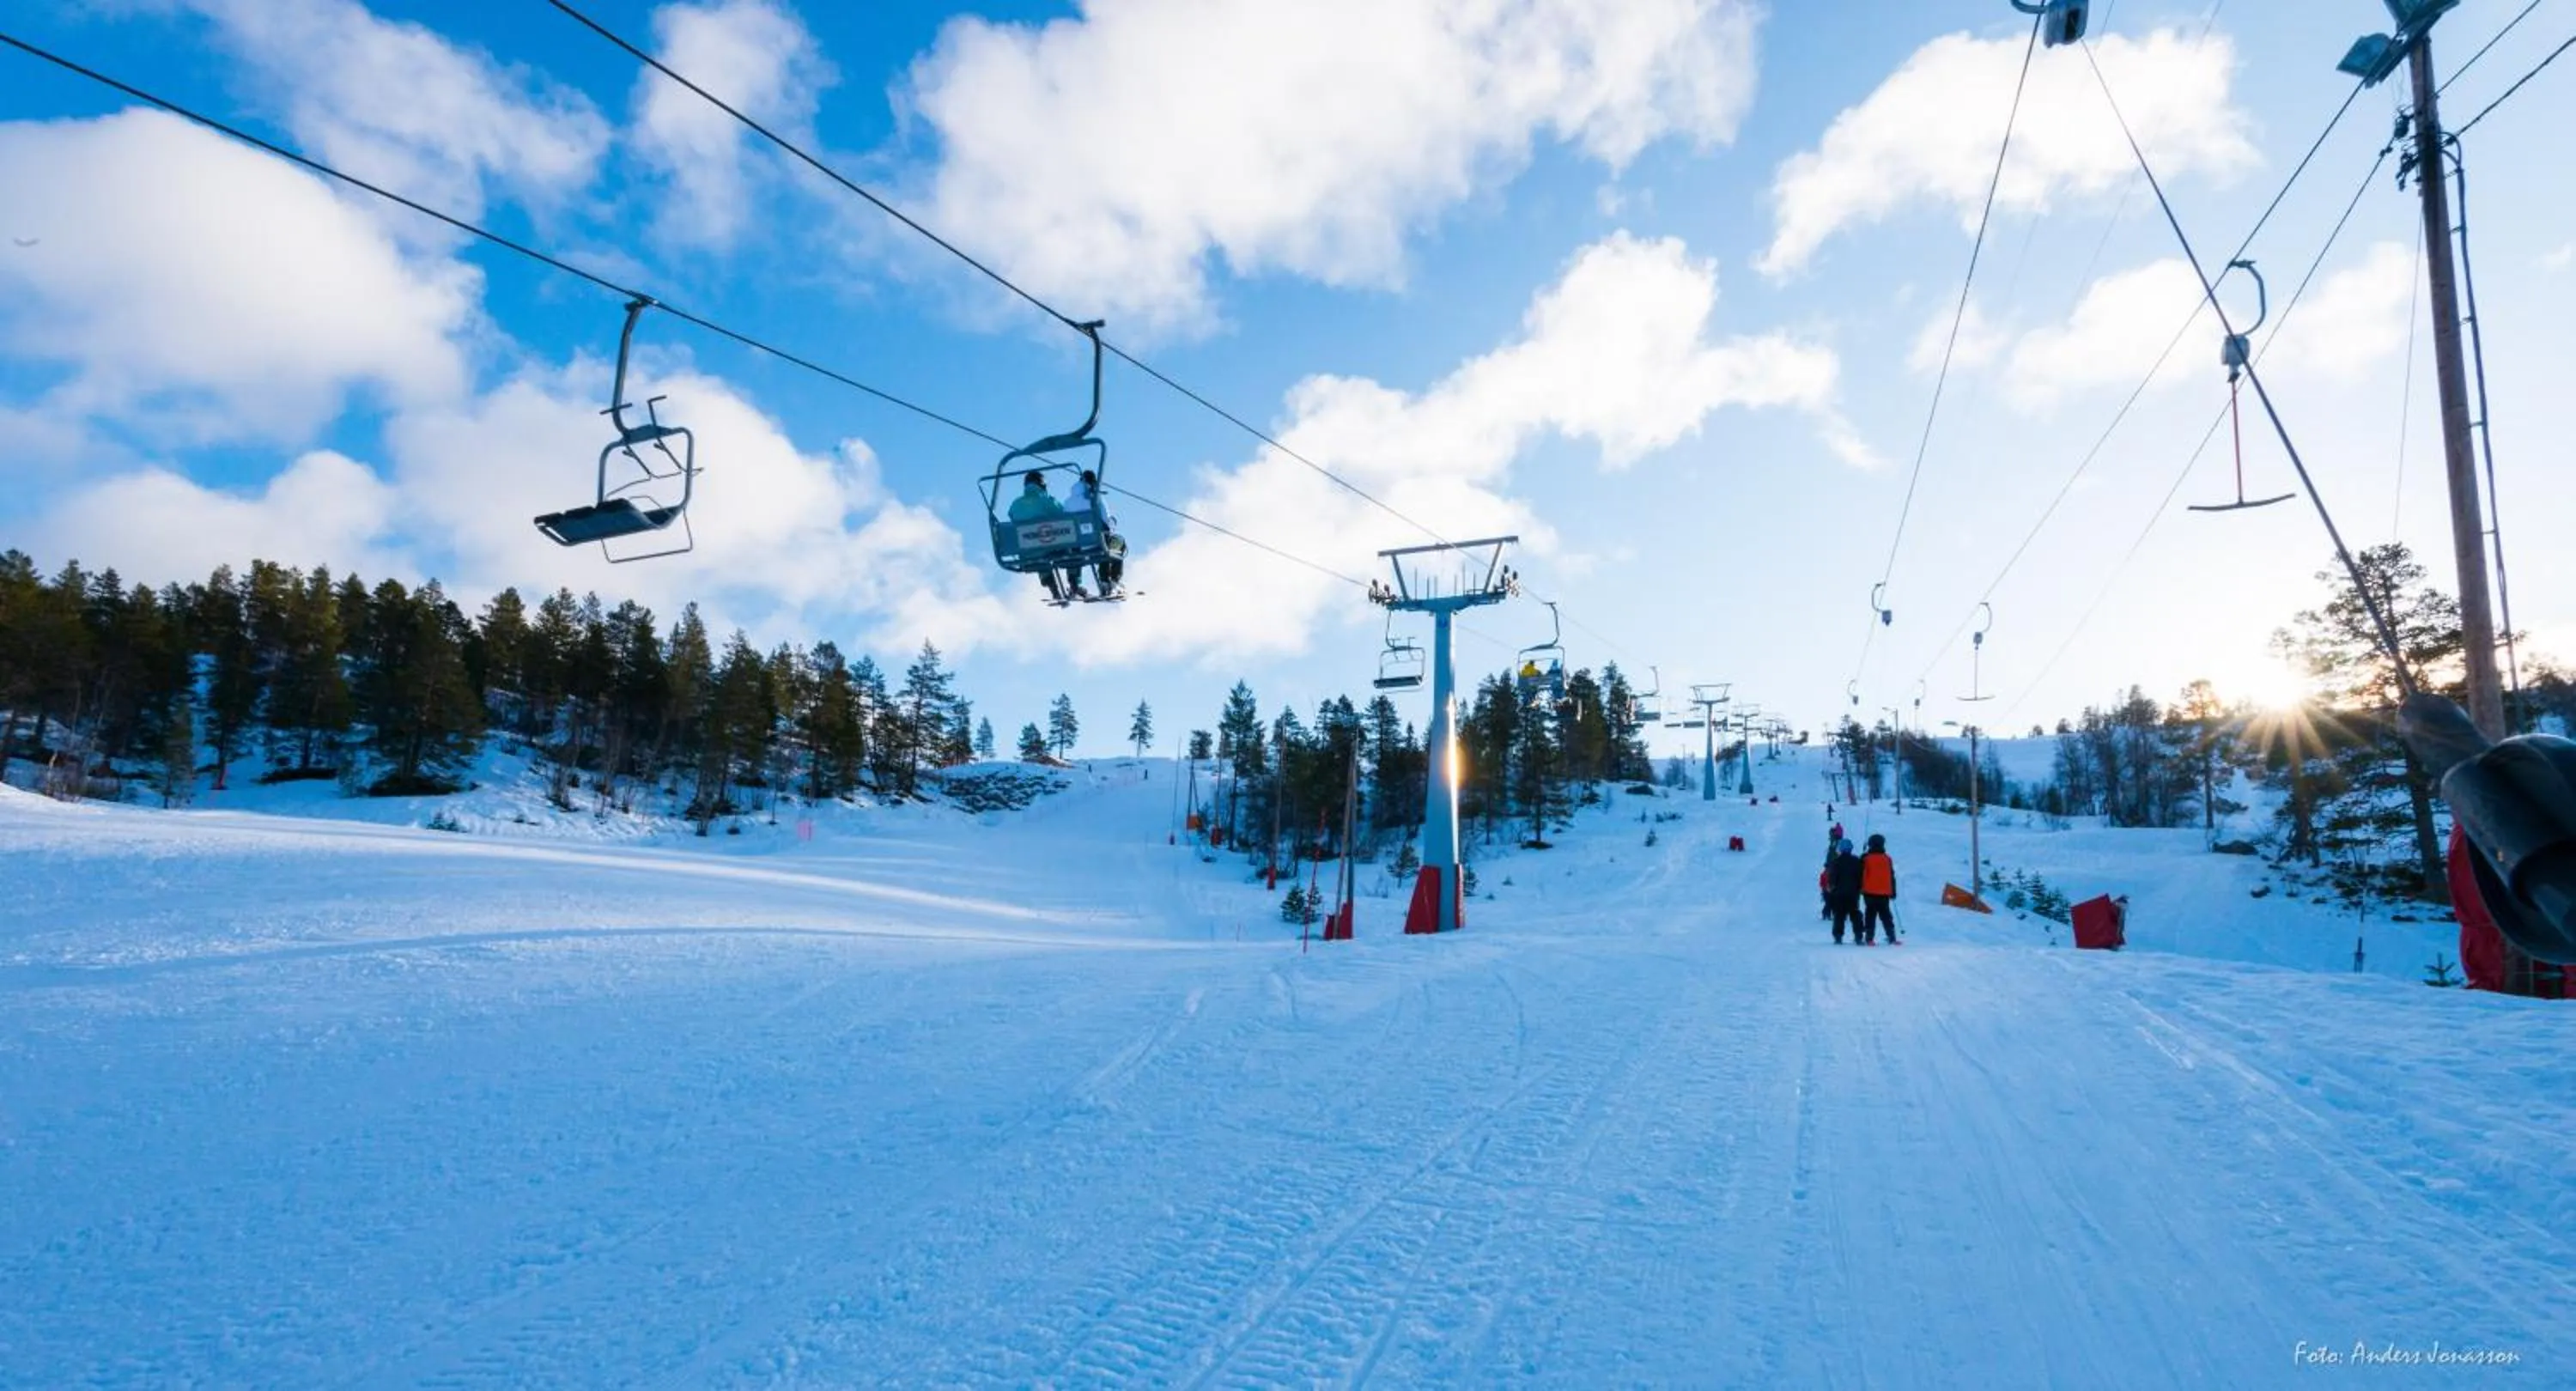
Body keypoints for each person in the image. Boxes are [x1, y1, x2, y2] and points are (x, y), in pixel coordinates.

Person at [1005, 471, 1084, 602]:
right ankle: (1074, 584)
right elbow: (1062, 515)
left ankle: (1054, 590)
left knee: (1037, 553)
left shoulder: (1015, 504)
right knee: (1072, 545)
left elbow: (1012, 517)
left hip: (1027, 551)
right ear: (1042, 485)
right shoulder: (1046, 500)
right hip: (1050, 547)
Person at [1860, 832, 1899, 945]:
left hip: (1869, 892)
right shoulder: (1887, 858)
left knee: (1870, 915)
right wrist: (1893, 891)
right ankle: (1892, 937)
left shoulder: (1866, 858)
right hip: (1884, 892)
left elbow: (1861, 873)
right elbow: (1891, 876)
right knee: (1886, 915)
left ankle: (1869, 938)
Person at [1826, 839, 1864, 944]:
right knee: (1855, 913)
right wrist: (1861, 888)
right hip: (1853, 893)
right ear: (1851, 849)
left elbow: (1832, 877)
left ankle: (1838, 936)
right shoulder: (1857, 861)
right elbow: (1861, 876)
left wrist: (1830, 887)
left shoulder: (1836, 861)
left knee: (1839, 915)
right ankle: (1858, 936)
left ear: (1840, 849)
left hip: (1839, 893)